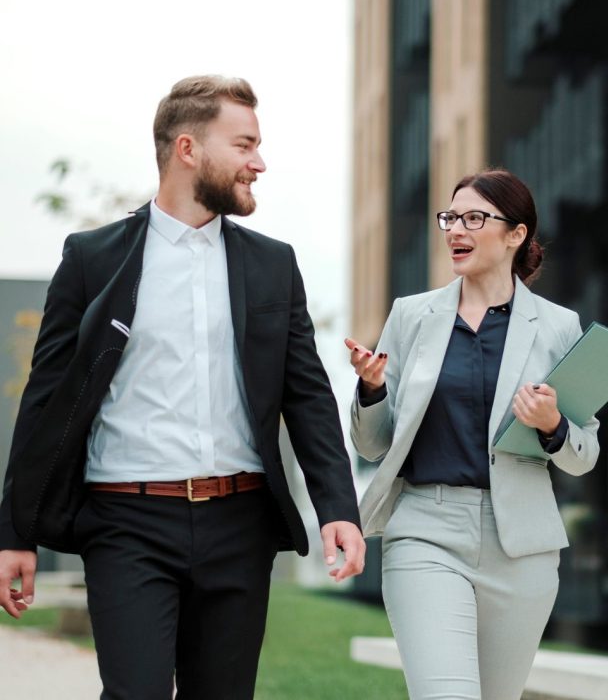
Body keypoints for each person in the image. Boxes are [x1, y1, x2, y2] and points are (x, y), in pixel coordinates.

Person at [0, 75, 365, 700]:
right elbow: (45, 401)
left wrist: (338, 507)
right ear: (188, 149)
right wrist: (15, 532)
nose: (260, 162)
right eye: (244, 144)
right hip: (125, 521)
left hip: (240, 521)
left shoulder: (273, 264)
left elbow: (306, 395)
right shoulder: (93, 258)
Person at [345, 168, 600, 700]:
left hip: (522, 548)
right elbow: (373, 445)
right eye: (450, 217)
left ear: (516, 234)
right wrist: (371, 392)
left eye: (474, 218)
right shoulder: (412, 316)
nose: (456, 229)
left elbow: (584, 455)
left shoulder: (559, 327)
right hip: (426, 531)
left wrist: (552, 425)